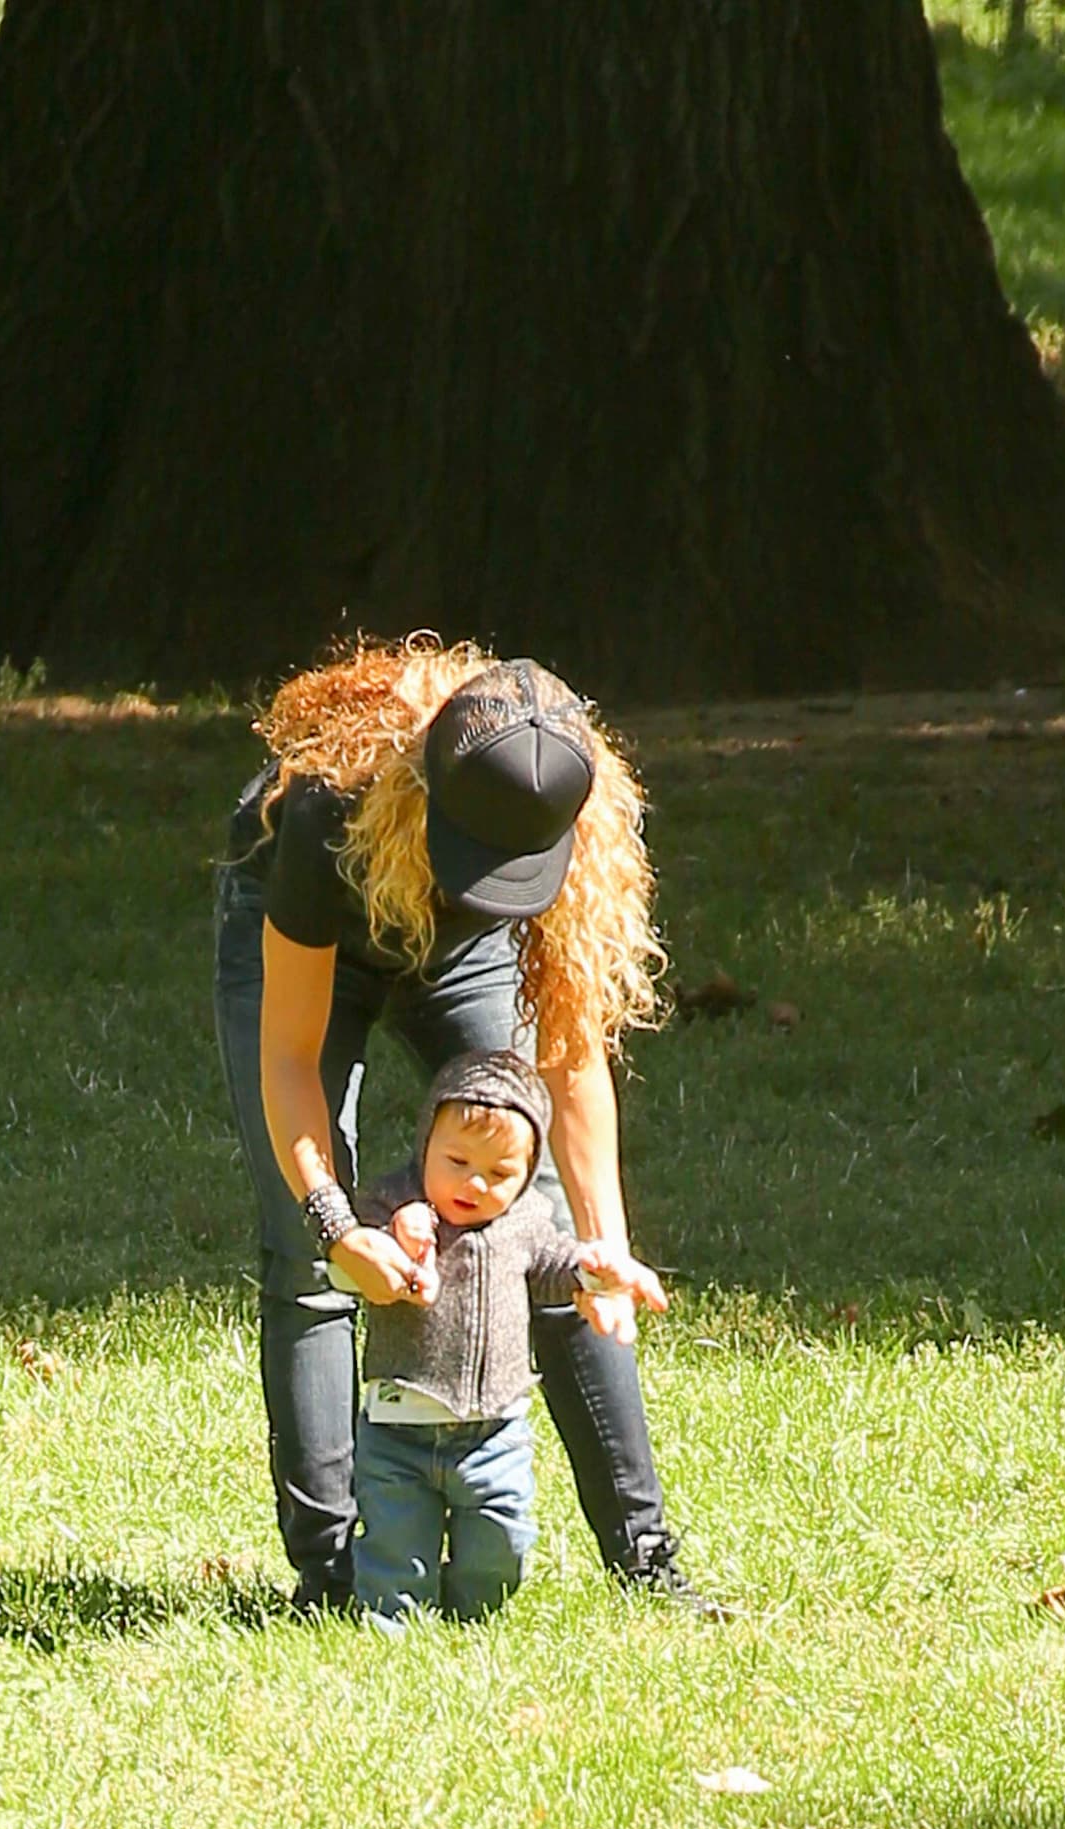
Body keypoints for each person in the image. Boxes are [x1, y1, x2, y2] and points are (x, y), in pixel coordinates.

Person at [214, 632, 714, 1615]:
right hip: (325, 922)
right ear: (428, 793)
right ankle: (331, 1583)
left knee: (542, 1230)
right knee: (307, 1254)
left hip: (462, 958)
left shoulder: (579, 822)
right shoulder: (325, 807)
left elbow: (569, 1064)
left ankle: (646, 1564)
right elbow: (288, 1055)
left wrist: (604, 1246)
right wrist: (337, 1225)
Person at [316, 1047, 666, 1624]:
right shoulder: (391, 1204)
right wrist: (393, 1237)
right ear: (425, 1142)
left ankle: (468, 1613)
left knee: (502, 1547)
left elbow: (555, 1264)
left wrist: (593, 1271)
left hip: (493, 1434)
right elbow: (350, 1261)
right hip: (398, 1429)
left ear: (527, 1175)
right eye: (456, 1160)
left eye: (500, 1173)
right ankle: (390, 1628)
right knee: (394, 1556)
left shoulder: (523, 1221)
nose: (475, 1184)